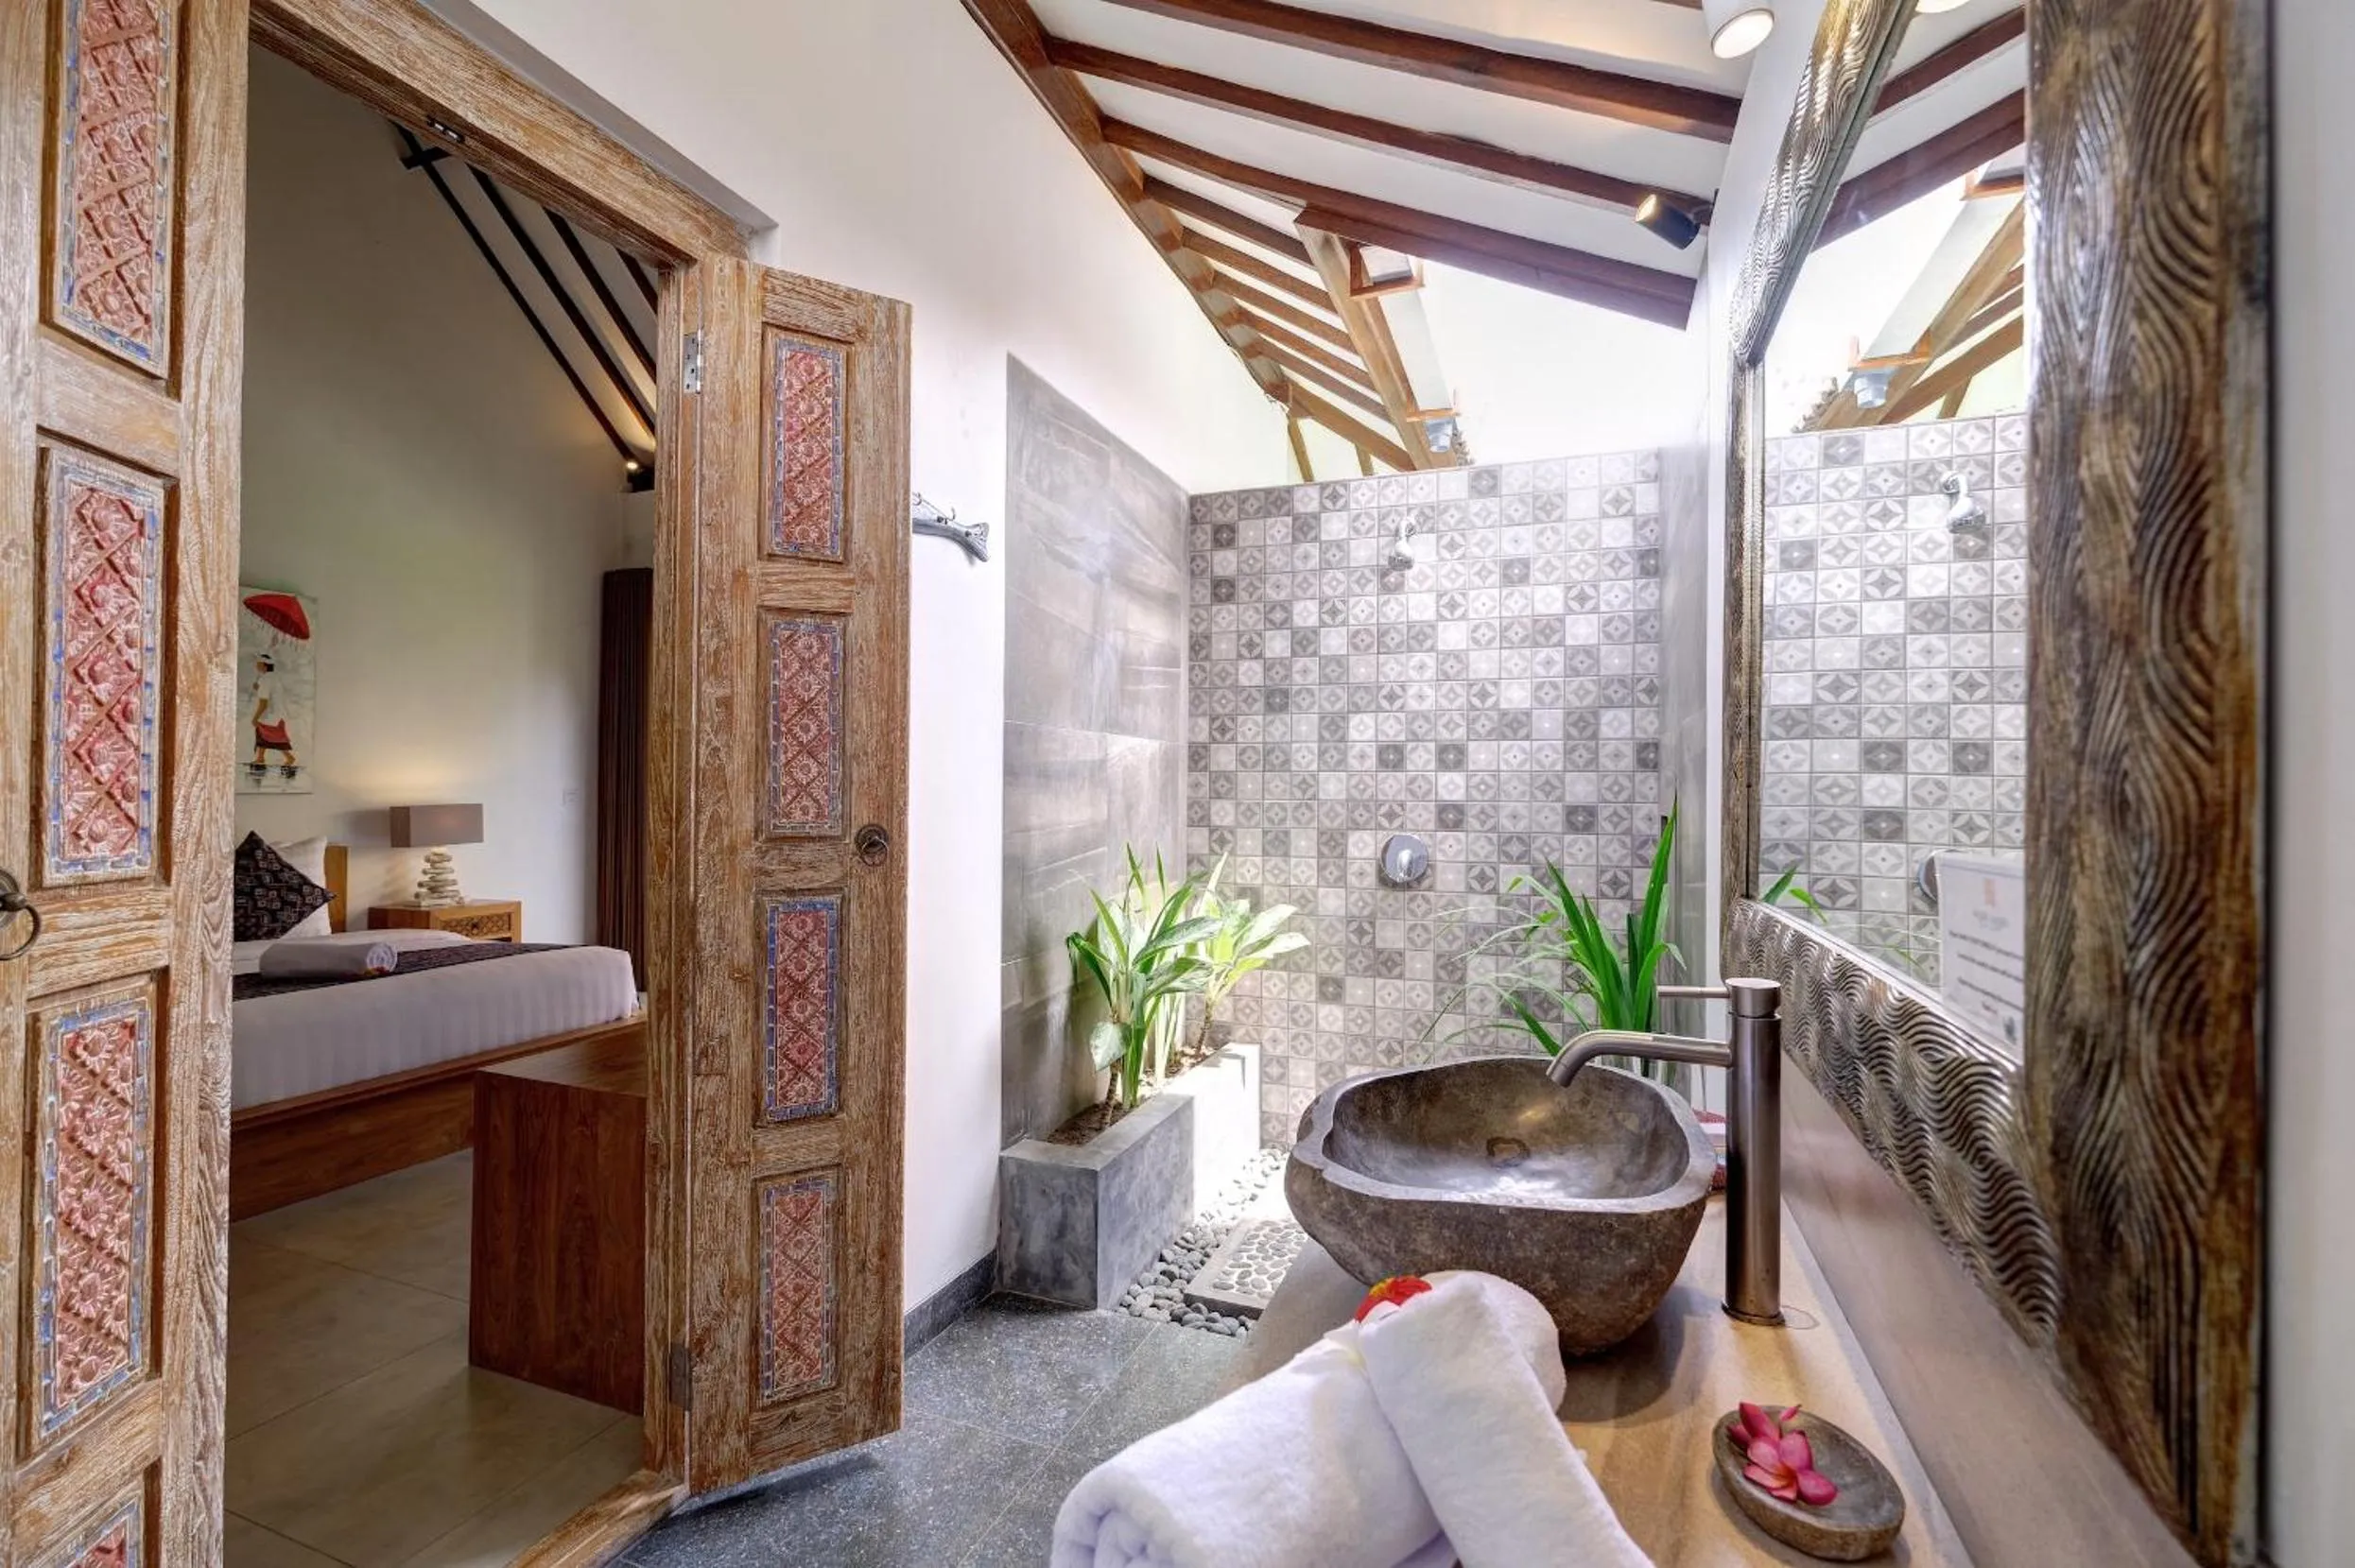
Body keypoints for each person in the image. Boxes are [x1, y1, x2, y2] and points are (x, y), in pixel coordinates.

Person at [248, 651, 299, 779]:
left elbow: (263, 702)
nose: (257, 667)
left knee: (271, 737)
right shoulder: (272, 678)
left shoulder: (265, 680)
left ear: (265, 666)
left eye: (259, 664)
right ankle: (260, 758)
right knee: (263, 737)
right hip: (277, 714)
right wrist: (257, 687)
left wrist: (255, 717)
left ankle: (289, 757)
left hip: (269, 715)